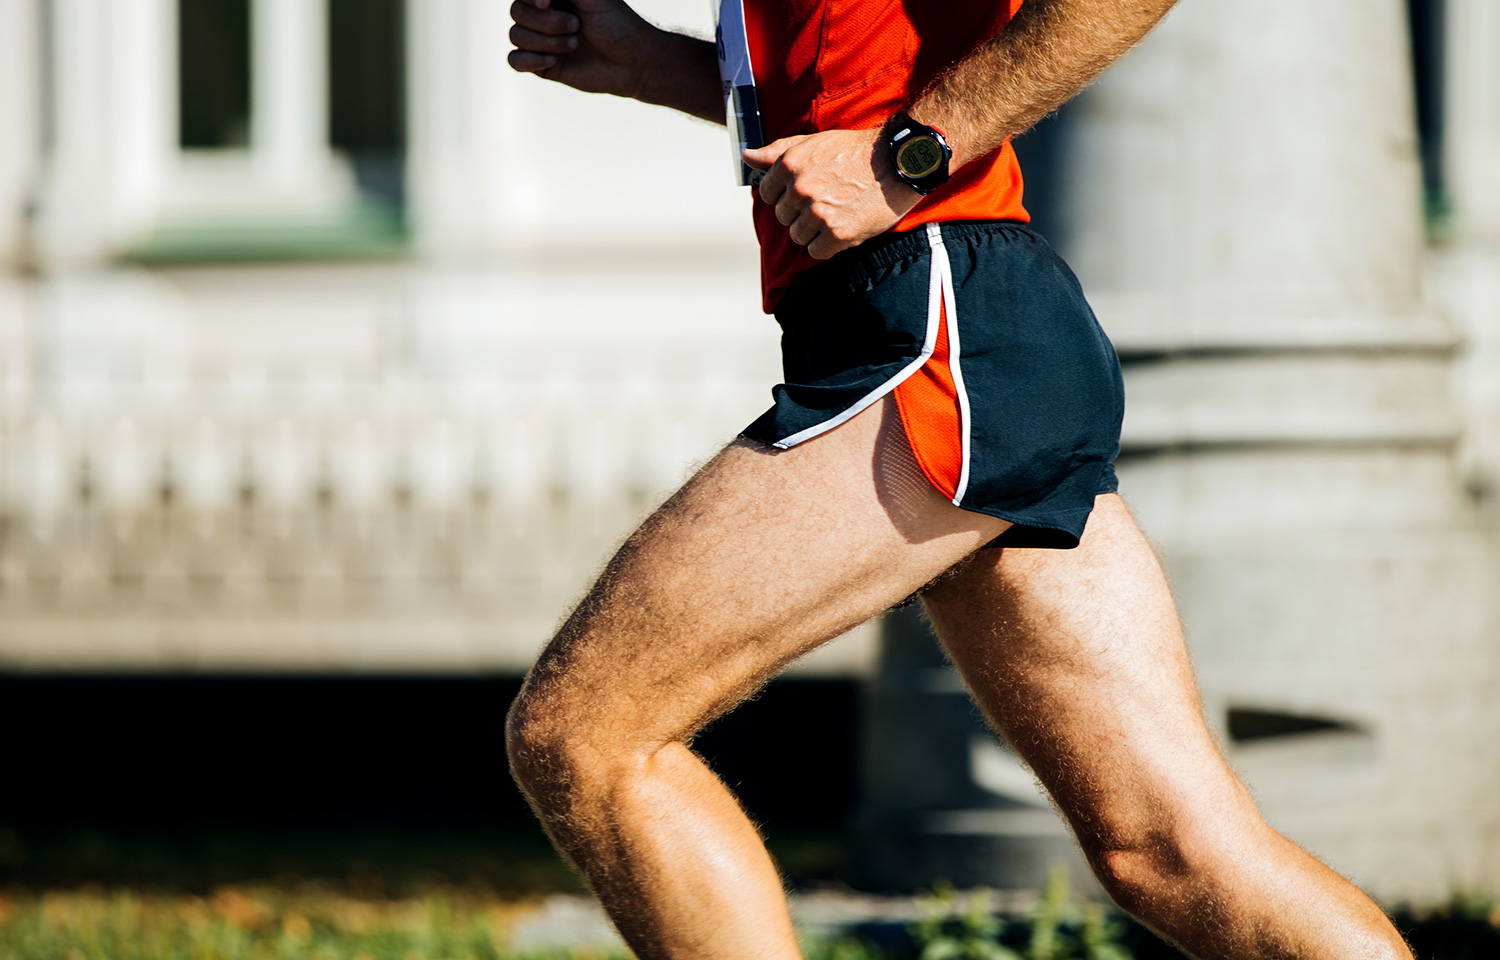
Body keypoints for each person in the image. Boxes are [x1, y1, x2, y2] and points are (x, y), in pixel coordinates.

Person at [502, 0, 1415, 956]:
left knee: (587, 733)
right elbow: (847, 94)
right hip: (960, 329)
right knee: (1171, 850)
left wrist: (908, 158)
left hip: (938, 322)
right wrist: (651, 63)